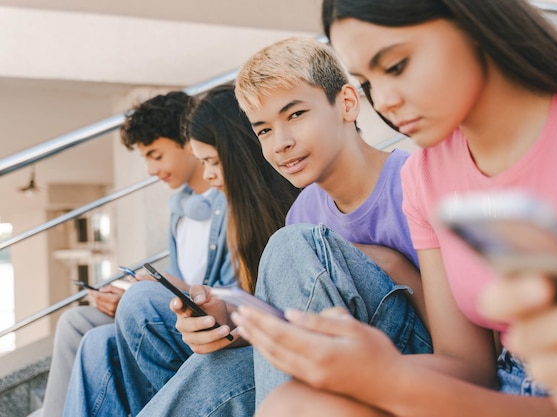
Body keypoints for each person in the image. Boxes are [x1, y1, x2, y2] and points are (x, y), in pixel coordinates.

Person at [230, 1, 557, 416]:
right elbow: (467, 365)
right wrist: (370, 370)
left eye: (396, 66)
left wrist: (390, 381)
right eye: (367, 82)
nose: (383, 100)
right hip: (503, 386)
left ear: (474, 23)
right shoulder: (426, 173)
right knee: (294, 402)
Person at [135, 36, 431, 417]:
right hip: (331, 359)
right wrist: (227, 326)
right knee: (215, 371)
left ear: (347, 103)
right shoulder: (304, 209)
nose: (280, 144)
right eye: (263, 130)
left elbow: (463, 339)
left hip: (413, 363)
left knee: (292, 244)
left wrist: (384, 265)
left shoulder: (411, 182)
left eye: (295, 115)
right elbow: (290, 324)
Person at [62, 83, 301, 416]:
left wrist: (197, 298)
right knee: (93, 340)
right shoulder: (186, 212)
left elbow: (258, 302)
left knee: (139, 302)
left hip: (256, 346)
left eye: (155, 155)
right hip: (223, 326)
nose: (210, 174)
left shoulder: (271, 215)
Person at [29, 91, 234, 417]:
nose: (152, 170)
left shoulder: (230, 200)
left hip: (202, 318)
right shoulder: (179, 211)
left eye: (156, 155)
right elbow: (183, 278)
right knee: (76, 320)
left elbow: (227, 292)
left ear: (188, 142)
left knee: (131, 310)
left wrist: (150, 292)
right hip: (175, 308)